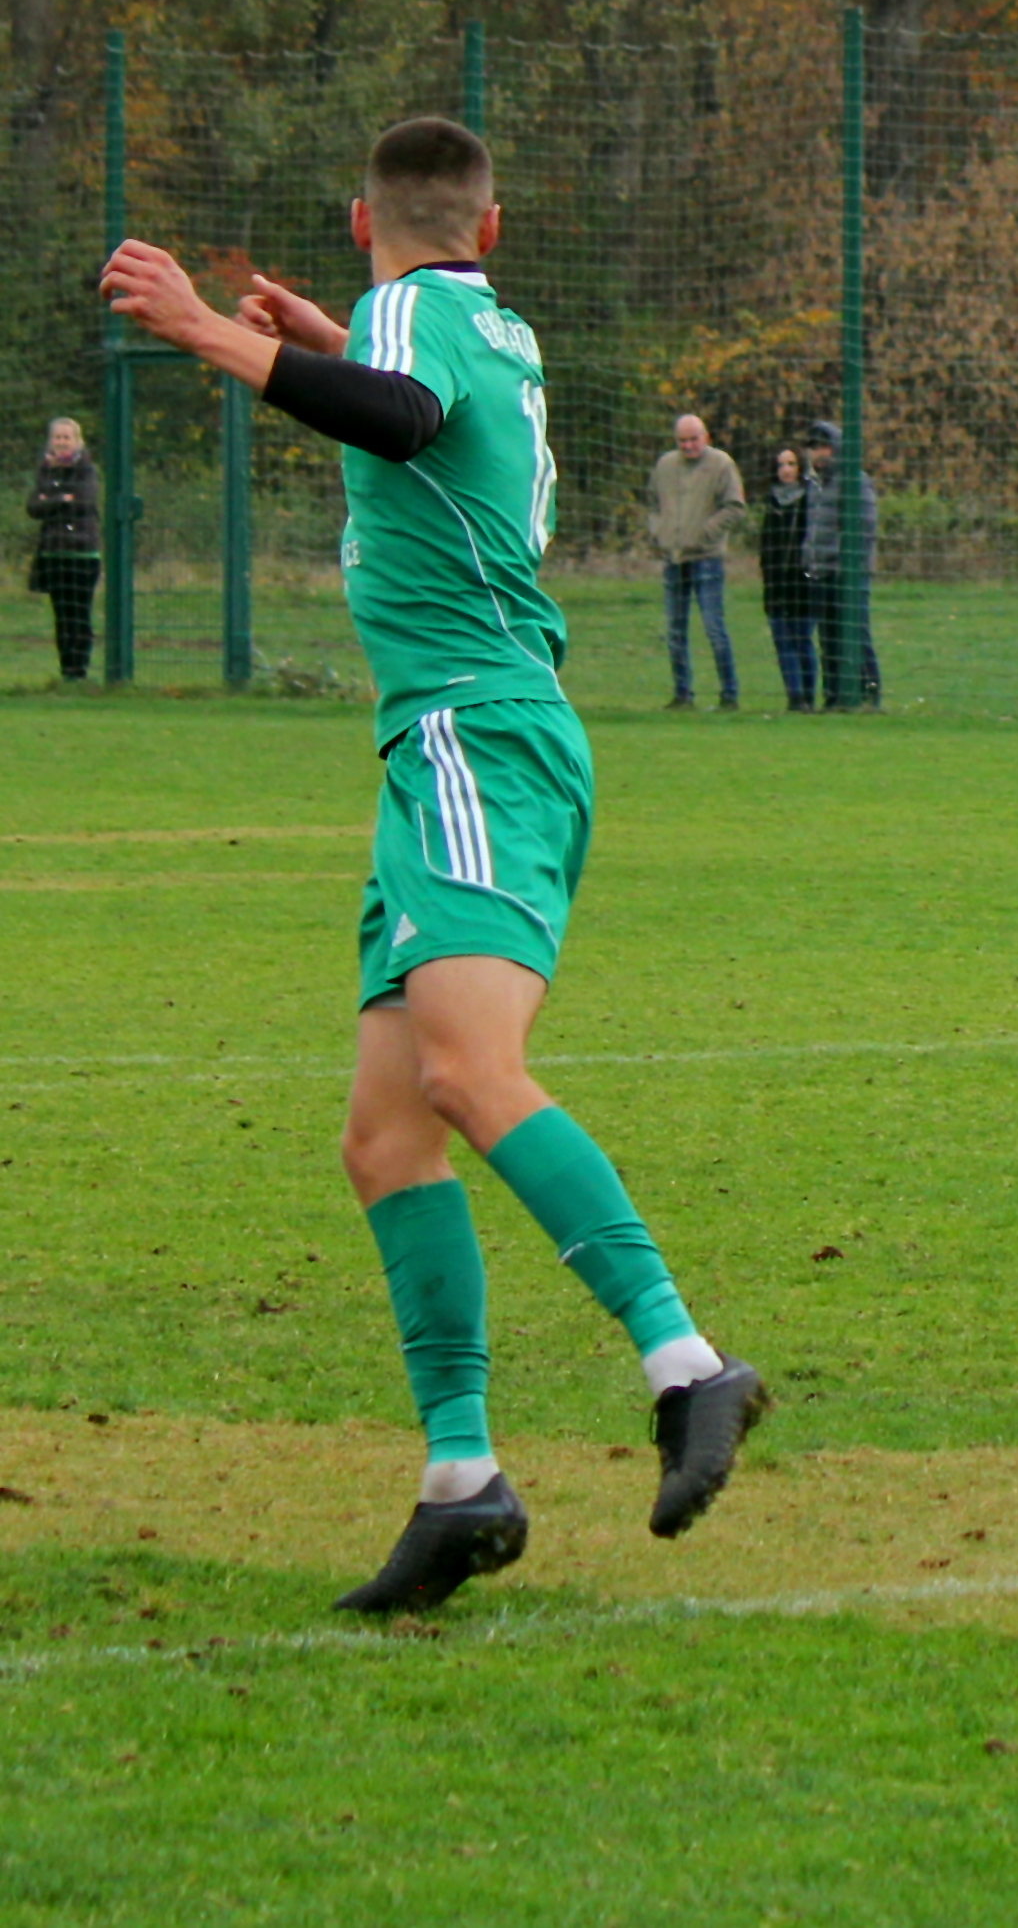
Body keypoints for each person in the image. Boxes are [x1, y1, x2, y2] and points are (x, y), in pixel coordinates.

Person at [96, 116, 764, 1615]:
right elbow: (425, 416)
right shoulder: (487, 325)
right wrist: (325, 341)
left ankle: (689, 1362)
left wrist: (207, 327)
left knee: (468, 1071)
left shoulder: (412, 315)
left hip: (477, 737)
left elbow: (398, 419)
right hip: (443, 751)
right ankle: (463, 1482)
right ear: (493, 225)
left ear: (361, 220)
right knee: (387, 1138)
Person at [648, 411, 747, 710]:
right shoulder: (665, 466)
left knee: (714, 627)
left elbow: (735, 506)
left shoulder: (721, 464)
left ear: (706, 437)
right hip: (674, 558)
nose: (688, 446)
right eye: (682, 441)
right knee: (675, 631)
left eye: (693, 439)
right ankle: (682, 694)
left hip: (707, 558)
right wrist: (659, 532)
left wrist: (707, 532)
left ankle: (729, 694)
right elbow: (653, 503)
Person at [802, 420, 879, 711]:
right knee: (828, 637)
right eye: (813, 447)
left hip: (848, 574)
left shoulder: (855, 481)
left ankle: (869, 692)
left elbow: (865, 527)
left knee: (855, 632)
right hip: (820, 571)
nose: (818, 453)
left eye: (824, 447)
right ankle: (834, 695)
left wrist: (845, 561)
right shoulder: (815, 485)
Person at [27, 414, 100, 680]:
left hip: (82, 554)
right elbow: (33, 507)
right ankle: (66, 670)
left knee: (79, 613)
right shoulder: (44, 470)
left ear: (77, 441)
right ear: (51, 441)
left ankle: (79, 669)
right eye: (57, 437)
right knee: (61, 615)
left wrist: (51, 498)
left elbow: (83, 501)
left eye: (66, 437)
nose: (61, 442)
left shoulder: (87, 470)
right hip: (53, 552)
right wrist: (64, 498)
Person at [755, 447, 819, 710]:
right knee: (782, 640)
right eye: (781, 464)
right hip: (776, 583)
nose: (786, 470)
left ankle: (808, 696)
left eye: (791, 464)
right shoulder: (772, 501)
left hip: (803, 582)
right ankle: (794, 697)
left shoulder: (811, 498)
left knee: (802, 640)